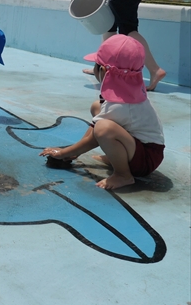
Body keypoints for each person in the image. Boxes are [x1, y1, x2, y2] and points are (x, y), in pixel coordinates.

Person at [40, 35, 165, 190]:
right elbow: (96, 123)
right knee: (97, 107)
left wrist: (63, 153)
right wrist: (75, 152)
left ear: (103, 70)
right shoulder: (127, 92)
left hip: (146, 160)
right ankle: (119, 157)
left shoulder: (120, 105)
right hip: (143, 148)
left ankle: (123, 175)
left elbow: (95, 138)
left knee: (104, 129)